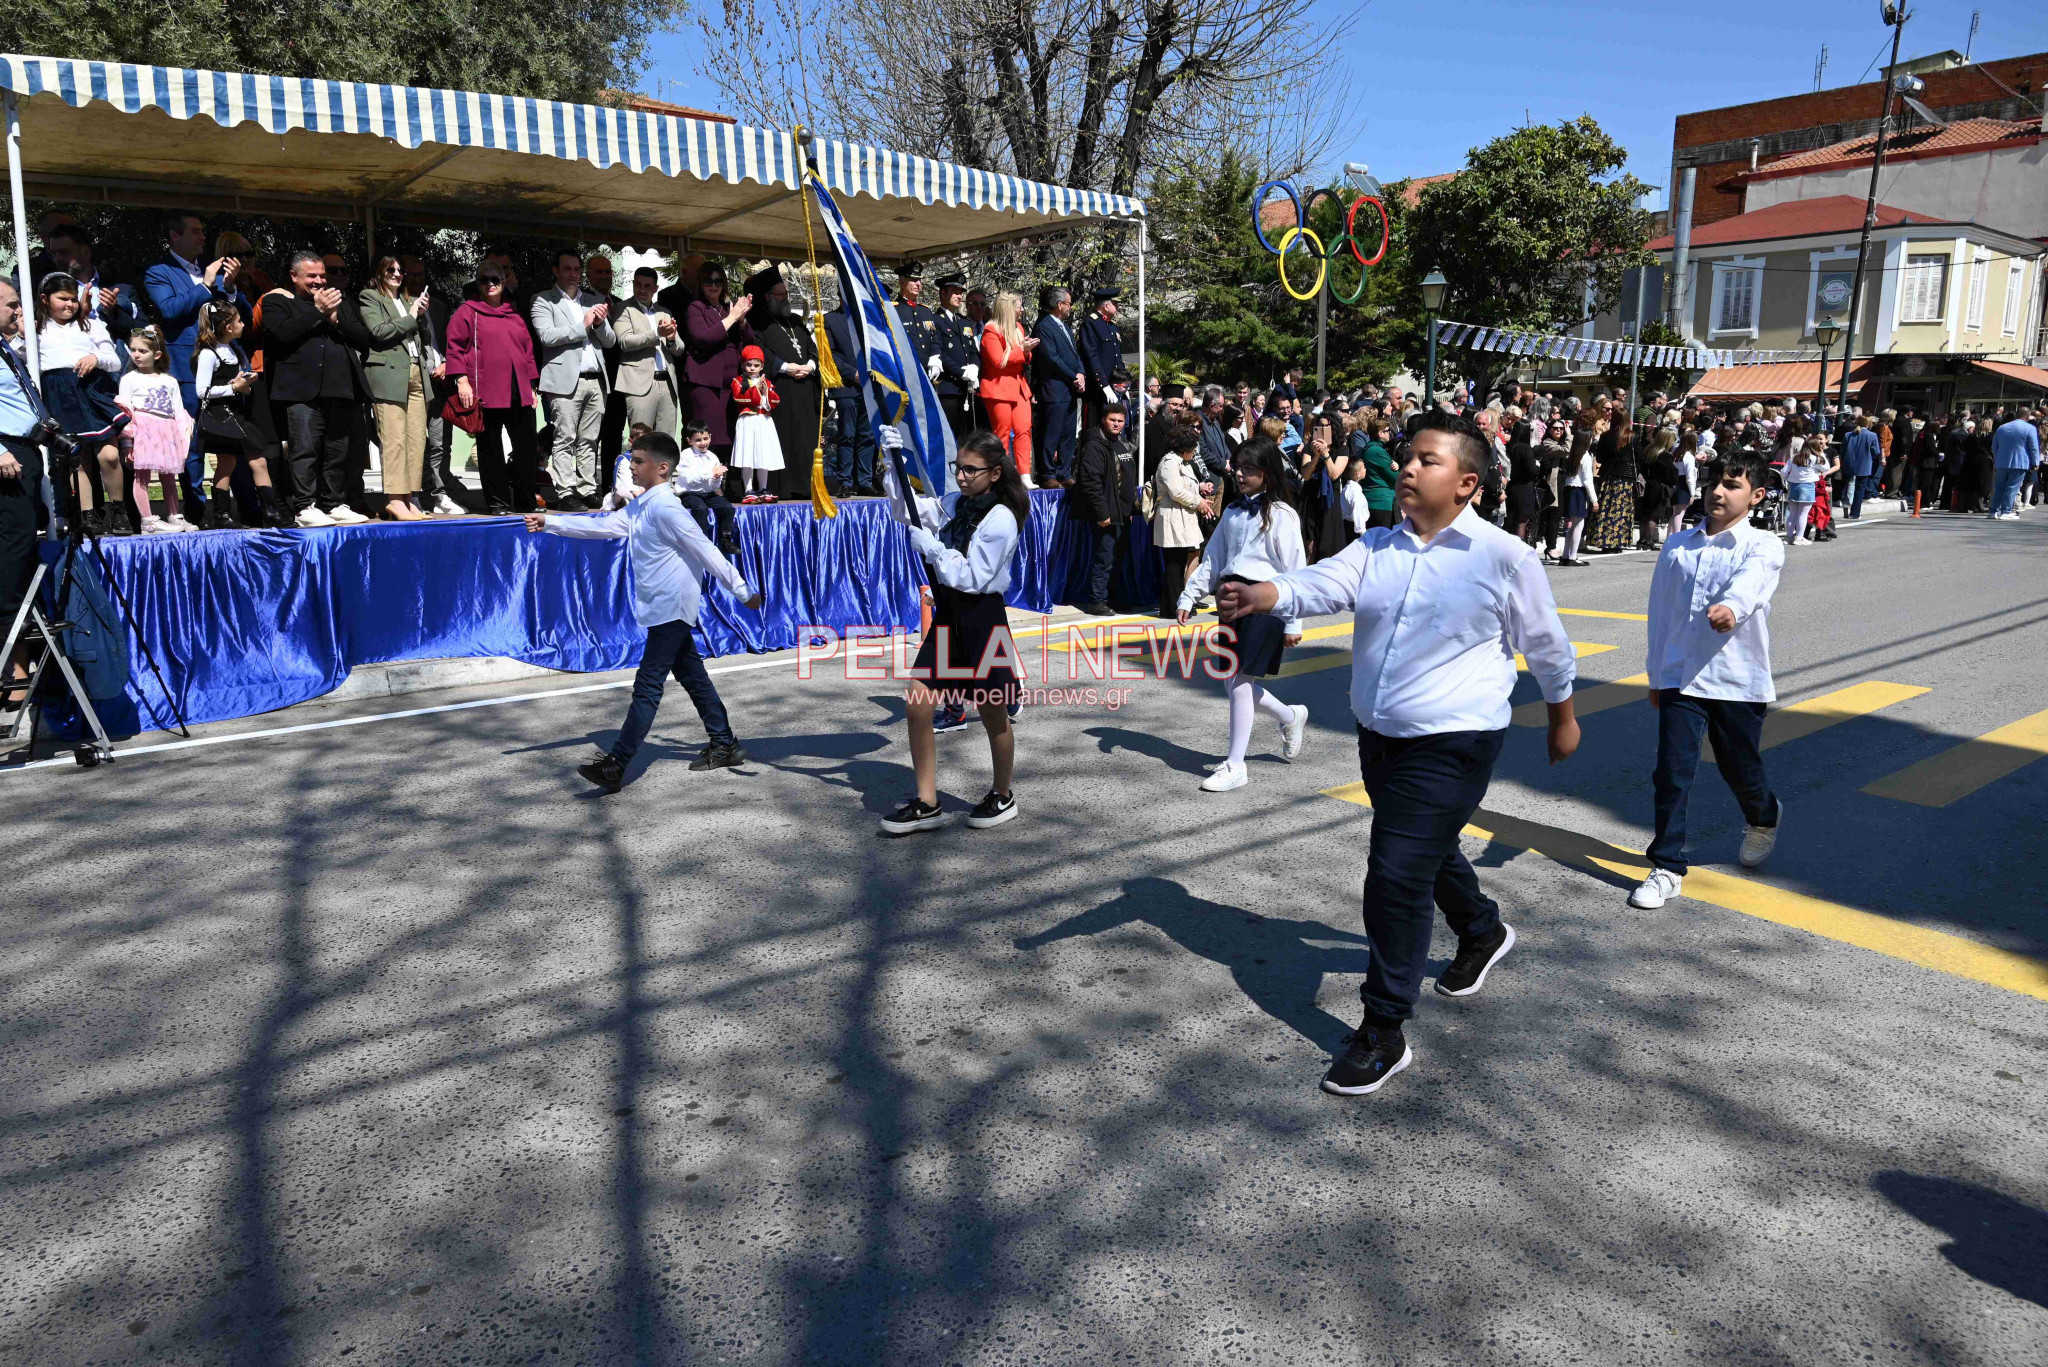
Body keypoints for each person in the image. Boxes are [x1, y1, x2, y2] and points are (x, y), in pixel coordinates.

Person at [1219, 409, 1580, 1097]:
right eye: (1407, 457)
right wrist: (1266, 593)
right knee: (1423, 848)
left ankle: (1384, 1026)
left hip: (1456, 738)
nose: (1407, 468)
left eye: (1426, 460)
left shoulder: (1505, 556)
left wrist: (1563, 718)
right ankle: (1481, 927)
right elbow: (1322, 583)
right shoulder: (1378, 545)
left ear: (1468, 482)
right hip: (1381, 736)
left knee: (1394, 873)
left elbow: (1548, 645)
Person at [530, 430, 762, 792]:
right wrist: (552, 523)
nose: (631, 465)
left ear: (662, 467)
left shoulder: (668, 508)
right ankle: (725, 744)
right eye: (632, 459)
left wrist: (742, 590)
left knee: (648, 686)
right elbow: (606, 526)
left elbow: (706, 549)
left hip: (672, 606)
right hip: (659, 605)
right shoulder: (643, 505)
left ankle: (617, 764)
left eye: (638, 461)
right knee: (693, 678)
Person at [1629, 449, 1785, 910]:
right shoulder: (1678, 545)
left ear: (1755, 496)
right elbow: (1661, 615)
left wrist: (1732, 608)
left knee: (1740, 766)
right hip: (1681, 675)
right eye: (1715, 481)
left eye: (1732, 485)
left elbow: (1752, 585)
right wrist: (1657, 675)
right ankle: (1667, 866)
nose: (1718, 490)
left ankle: (1764, 815)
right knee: (1672, 771)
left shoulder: (1763, 545)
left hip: (1735, 677)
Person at [879, 429, 1027, 836]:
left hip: (980, 616)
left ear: (995, 473)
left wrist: (932, 548)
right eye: (958, 468)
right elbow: (908, 511)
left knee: (992, 711)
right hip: (949, 616)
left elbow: (973, 576)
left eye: (970, 470)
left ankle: (1002, 792)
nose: (961, 477)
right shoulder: (955, 505)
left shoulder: (1001, 518)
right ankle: (927, 802)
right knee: (917, 703)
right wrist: (893, 463)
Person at [1177, 436, 1308, 794]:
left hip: (1265, 601)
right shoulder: (1233, 512)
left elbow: (1295, 570)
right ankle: (1289, 715)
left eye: (1249, 468)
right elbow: (1213, 560)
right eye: (1238, 467)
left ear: (1267, 473)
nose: (1239, 473)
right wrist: (1189, 595)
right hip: (1230, 601)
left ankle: (1236, 765)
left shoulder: (1282, 515)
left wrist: (1294, 621)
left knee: (1239, 682)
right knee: (1232, 682)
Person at [143, 211, 244, 520]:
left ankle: (226, 509)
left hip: (224, 369)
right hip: (187, 368)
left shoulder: (211, 272)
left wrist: (228, 289)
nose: (203, 237)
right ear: (175, 236)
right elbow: (169, 310)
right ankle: (196, 510)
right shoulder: (159, 272)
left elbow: (239, 318)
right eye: (195, 231)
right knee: (193, 442)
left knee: (228, 439)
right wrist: (206, 285)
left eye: (203, 231)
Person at [262, 252, 371, 528]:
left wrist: (336, 319)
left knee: (337, 452)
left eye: (322, 275)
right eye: (312, 276)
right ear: (294, 276)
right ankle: (304, 507)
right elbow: (281, 334)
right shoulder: (278, 301)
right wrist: (318, 311)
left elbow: (363, 338)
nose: (319, 281)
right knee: (305, 451)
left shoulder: (340, 300)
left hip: (340, 388)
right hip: (301, 391)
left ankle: (334, 503)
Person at [34, 272, 128, 533]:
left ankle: (118, 511)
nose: (70, 305)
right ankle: (88, 516)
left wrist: (95, 358)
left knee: (109, 455)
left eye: (73, 299)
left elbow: (115, 360)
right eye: (62, 299)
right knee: (79, 459)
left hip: (91, 389)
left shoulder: (90, 325)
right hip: (58, 394)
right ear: (44, 299)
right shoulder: (34, 331)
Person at [443, 264, 542, 514]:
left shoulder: (514, 314)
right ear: (478, 283)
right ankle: (497, 502)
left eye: (495, 279)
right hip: (485, 391)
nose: (490, 284)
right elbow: (454, 347)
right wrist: (462, 381)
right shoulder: (467, 312)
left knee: (527, 448)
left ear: (504, 281)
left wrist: (531, 386)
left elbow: (527, 352)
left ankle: (525, 501)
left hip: (518, 390)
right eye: (484, 280)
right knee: (490, 450)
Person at [531, 249, 615, 511]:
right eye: (567, 269)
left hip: (595, 380)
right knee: (565, 437)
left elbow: (611, 341)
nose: (573, 274)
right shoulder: (543, 300)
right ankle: (566, 492)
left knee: (590, 439)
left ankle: (588, 489)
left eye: (577, 269)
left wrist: (600, 324)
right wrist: (584, 325)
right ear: (556, 271)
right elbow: (547, 336)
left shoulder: (592, 300)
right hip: (565, 380)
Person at [192, 299, 285, 528]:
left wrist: (245, 383)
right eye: (239, 321)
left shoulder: (232, 350)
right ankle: (264, 512)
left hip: (235, 411)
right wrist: (234, 387)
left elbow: (235, 384)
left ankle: (229, 514)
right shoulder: (209, 354)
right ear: (227, 327)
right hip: (222, 416)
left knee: (229, 462)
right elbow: (202, 391)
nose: (244, 324)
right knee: (253, 458)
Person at [358, 255, 431, 521]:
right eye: (391, 269)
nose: (398, 274)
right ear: (379, 272)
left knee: (415, 439)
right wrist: (412, 318)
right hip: (389, 375)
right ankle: (394, 500)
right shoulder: (370, 297)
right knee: (394, 439)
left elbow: (423, 339)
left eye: (401, 270)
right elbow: (378, 331)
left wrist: (420, 316)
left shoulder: (407, 301)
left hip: (415, 373)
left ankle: (410, 498)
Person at [748, 265, 820, 497]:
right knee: (783, 440)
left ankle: (805, 486)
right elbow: (759, 351)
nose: (783, 299)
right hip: (780, 390)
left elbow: (811, 348)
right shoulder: (757, 321)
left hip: (805, 389)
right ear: (767, 297)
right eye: (778, 295)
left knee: (804, 440)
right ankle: (784, 487)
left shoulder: (797, 322)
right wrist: (785, 367)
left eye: (785, 294)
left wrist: (810, 366)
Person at [116, 327, 195, 533]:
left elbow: (178, 410)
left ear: (157, 354)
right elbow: (125, 411)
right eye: (133, 350)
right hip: (143, 432)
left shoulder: (169, 381)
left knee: (169, 475)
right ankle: (148, 520)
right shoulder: (129, 379)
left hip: (167, 432)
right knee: (141, 476)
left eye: (143, 351)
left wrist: (182, 437)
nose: (136, 355)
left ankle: (174, 515)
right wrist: (127, 441)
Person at [1070, 402, 1139, 615]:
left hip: (1123, 513)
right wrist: (1103, 512)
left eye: (1120, 421)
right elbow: (1091, 482)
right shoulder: (1095, 445)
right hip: (1106, 513)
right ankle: (1097, 600)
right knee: (1104, 558)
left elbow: (1126, 480)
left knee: (1118, 558)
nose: (1117, 424)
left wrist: (1131, 511)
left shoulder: (1121, 444)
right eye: (1113, 420)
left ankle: (1114, 598)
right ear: (1103, 420)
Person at [683, 262, 751, 462]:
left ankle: (730, 483)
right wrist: (732, 318)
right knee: (709, 436)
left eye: (718, 281)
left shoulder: (726, 309)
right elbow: (703, 337)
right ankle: (707, 483)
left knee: (731, 435)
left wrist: (742, 320)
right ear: (700, 283)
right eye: (708, 281)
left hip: (732, 384)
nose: (713, 286)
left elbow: (748, 342)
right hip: (707, 382)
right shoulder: (696, 308)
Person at [613, 266, 682, 442]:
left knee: (666, 442)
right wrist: (657, 334)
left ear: (655, 289)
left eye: (647, 286)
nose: (642, 290)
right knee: (641, 441)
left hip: (667, 382)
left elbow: (680, 348)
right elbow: (625, 341)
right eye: (638, 285)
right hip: (639, 383)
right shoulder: (623, 308)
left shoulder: (664, 312)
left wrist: (672, 338)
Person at [1151, 420, 1210, 617]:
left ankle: (1179, 604)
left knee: (1178, 563)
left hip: (1183, 518)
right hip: (1173, 518)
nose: (1194, 451)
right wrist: (1198, 502)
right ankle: (1170, 607)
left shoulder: (1181, 462)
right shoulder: (1169, 463)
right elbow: (1176, 491)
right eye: (1192, 447)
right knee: (1173, 565)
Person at [978, 292, 1036, 483]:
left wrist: (1026, 352)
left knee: (1024, 429)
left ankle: (1024, 474)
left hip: (1019, 386)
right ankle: (1003, 475)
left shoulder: (1018, 327)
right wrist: (1023, 350)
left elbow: (1025, 359)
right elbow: (997, 361)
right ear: (1008, 309)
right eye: (1018, 306)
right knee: (1002, 431)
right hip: (998, 387)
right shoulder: (991, 330)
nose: (1021, 310)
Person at [821, 296, 877, 497]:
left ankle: (865, 480)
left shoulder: (868, 318)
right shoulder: (829, 319)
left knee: (867, 437)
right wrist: (852, 373)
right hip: (846, 386)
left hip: (870, 386)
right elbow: (830, 354)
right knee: (846, 434)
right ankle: (844, 480)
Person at [1030, 286, 1085, 485]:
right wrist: (1073, 375)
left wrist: (1081, 374)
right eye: (1069, 304)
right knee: (1051, 433)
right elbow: (1051, 358)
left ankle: (1064, 471)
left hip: (1069, 389)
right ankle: (1048, 474)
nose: (1071, 308)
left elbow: (1074, 354)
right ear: (1059, 304)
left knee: (1068, 434)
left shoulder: (1065, 326)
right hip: (1054, 389)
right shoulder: (1044, 326)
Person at [674, 420, 737, 555]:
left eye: (705, 438)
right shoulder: (686, 455)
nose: (703, 443)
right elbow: (690, 480)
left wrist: (716, 478)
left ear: (710, 437)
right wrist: (710, 473)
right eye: (698, 440)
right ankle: (701, 542)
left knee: (727, 508)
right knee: (700, 508)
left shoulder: (712, 457)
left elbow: (714, 486)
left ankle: (726, 539)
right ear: (689, 441)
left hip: (707, 493)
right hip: (689, 493)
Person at [931, 273, 981, 443]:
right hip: (948, 389)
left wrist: (974, 367)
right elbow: (940, 353)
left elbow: (973, 351)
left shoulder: (964, 322)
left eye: (961, 292)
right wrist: (961, 372)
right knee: (949, 437)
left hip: (965, 388)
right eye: (954, 292)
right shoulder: (935, 320)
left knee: (966, 438)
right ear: (943, 293)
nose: (959, 296)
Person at [728, 345, 781, 503]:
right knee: (748, 456)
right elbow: (739, 398)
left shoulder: (768, 382)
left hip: (763, 421)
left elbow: (776, 400)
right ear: (743, 365)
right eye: (749, 364)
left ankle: (763, 488)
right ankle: (748, 489)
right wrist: (756, 389)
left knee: (763, 456)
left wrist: (766, 391)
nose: (752, 368)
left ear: (762, 366)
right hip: (748, 421)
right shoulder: (737, 381)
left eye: (756, 365)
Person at [1585, 415, 1637, 552]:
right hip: (1625, 478)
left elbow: (1600, 457)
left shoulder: (1606, 436)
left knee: (1606, 509)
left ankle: (1604, 541)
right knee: (1622, 512)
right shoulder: (1632, 436)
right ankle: (1618, 543)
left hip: (1608, 476)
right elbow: (1638, 457)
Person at [1077, 287, 1128, 427]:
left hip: (1114, 386)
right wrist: (1104, 385)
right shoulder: (1090, 324)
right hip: (1097, 389)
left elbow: (1117, 358)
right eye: (1115, 303)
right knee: (1093, 427)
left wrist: (1123, 382)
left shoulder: (1112, 326)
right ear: (1106, 305)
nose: (1117, 307)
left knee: (1112, 428)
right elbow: (1091, 356)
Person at [1989, 406, 2041, 520]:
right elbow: (2033, 447)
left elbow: (1994, 446)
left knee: (1999, 487)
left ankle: (1993, 511)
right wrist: (2035, 461)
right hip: (2020, 461)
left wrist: (1997, 458)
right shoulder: (2029, 428)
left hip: (2002, 461)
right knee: (2012, 487)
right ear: (2027, 417)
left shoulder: (2002, 427)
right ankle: (2006, 511)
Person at [1781, 429, 1820, 546]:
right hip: (1808, 486)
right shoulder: (1815, 458)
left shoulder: (1794, 457)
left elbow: (1783, 471)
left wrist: (1788, 479)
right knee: (1803, 514)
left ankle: (1789, 537)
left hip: (1794, 485)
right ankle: (1799, 537)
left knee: (1792, 513)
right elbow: (1826, 467)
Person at [1840, 415, 1881, 520]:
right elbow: (1876, 451)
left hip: (1848, 463)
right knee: (1860, 489)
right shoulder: (1872, 435)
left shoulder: (1848, 435)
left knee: (1845, 483)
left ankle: (1843, 502)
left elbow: (1842, 451)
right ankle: (1854, 513)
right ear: (1868, 424)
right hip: (1864, 464)